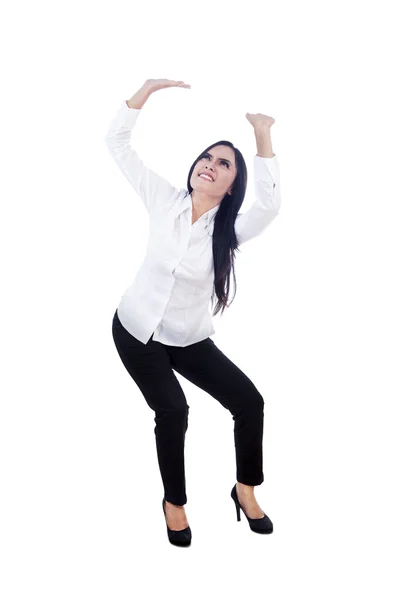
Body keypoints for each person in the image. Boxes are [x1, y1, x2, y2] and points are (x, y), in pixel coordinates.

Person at [105, 78, 281, 546]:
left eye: (223, 164)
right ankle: (174, 503)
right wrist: (145, 90)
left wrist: (261, 134)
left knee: (249, 402)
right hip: (138, 331)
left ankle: (244, 489)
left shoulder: (231, 232)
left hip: (187, 337)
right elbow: (117, 143)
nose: (210, 164)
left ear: (230, 187)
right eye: (207, 157)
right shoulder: (164, 199)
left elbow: (271, 203)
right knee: (174, 411)